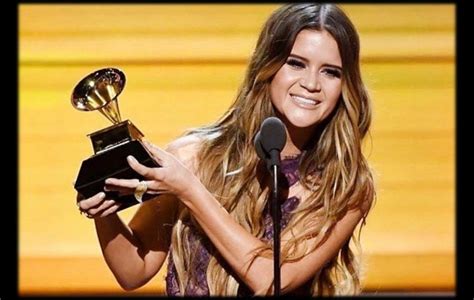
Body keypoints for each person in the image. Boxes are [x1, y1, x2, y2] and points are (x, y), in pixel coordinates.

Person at [76, 3, 376, 296]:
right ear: (267, 67)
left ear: (346, 84)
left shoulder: (346, 185)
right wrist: (103, 211)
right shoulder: (193, 157)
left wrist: (190, 190)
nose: (311, 83)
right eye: (296, 63)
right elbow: (133, 270)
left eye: (331, 72)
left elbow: (273, 282)